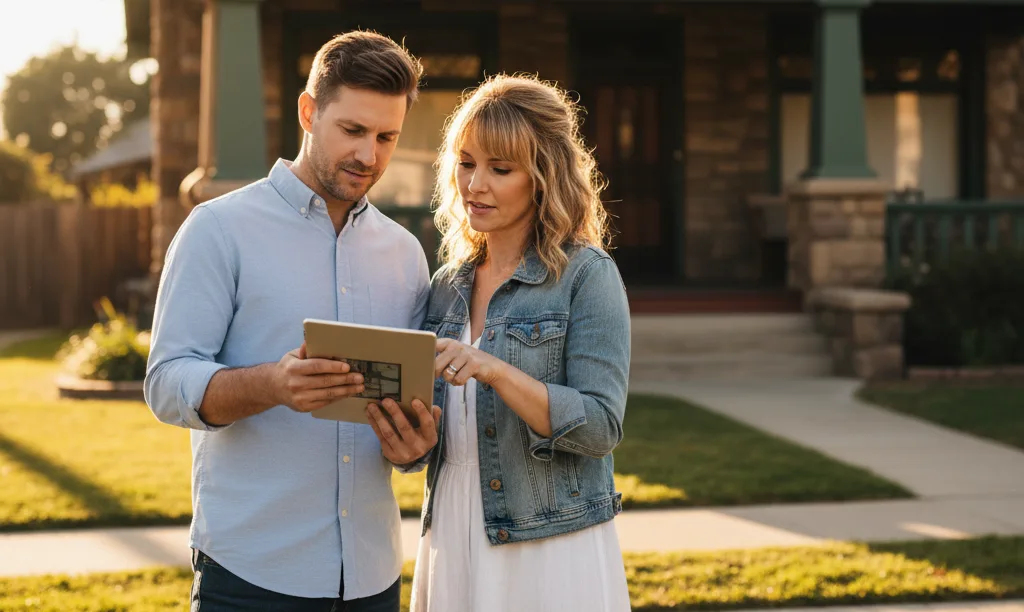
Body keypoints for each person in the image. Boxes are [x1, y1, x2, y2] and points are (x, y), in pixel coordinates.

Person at [145, 31, 440, 611]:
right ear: (309, 112)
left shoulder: (405, 253)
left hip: (371, 577)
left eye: (387, 137)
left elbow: (409, 410)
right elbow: (165, 383)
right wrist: (271, 385)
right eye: (352, 131)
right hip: (251, 574)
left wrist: (415, 447)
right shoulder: (218, 229)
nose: (369, 156)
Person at [410, 74, 632, 611]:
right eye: (466, 163)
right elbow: (434, 437)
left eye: (499, 169)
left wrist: (496, 371)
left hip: (548, 544)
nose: (474, 184)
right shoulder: (447, 285)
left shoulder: (587, 274)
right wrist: (409, 445)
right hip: (451, 531)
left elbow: (601, 426)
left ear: (542, 177)